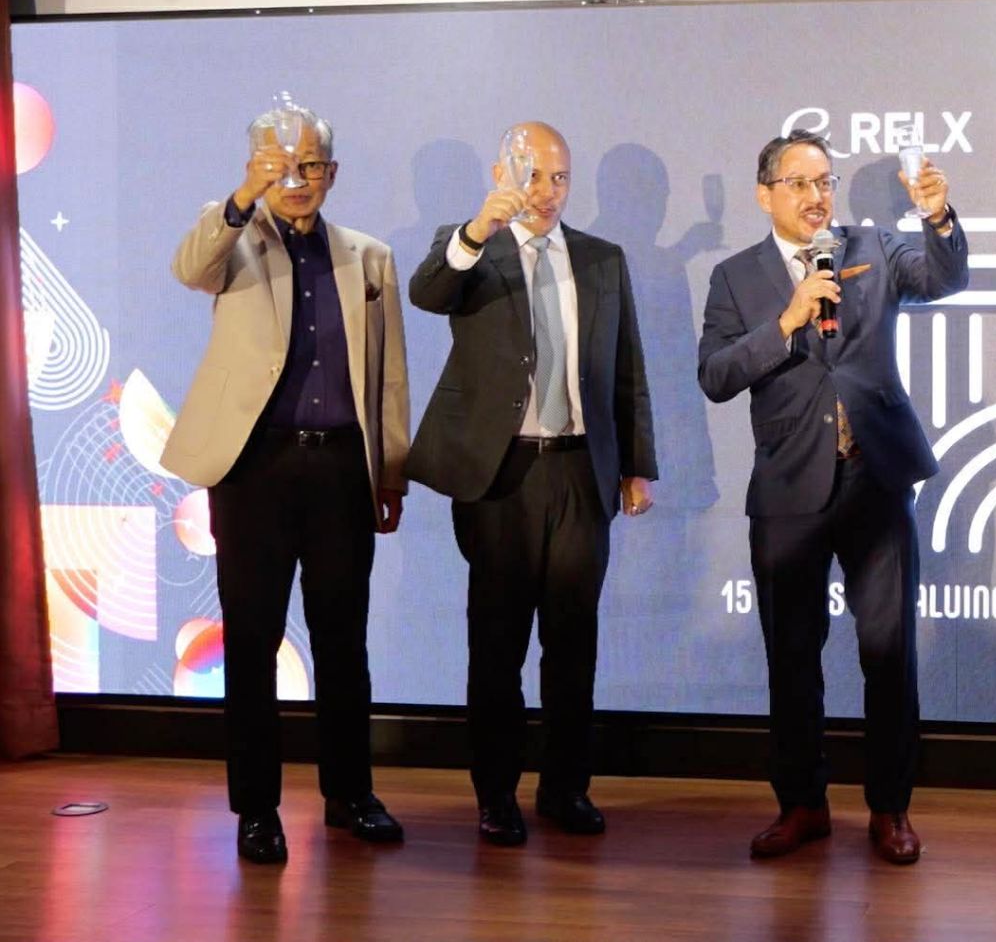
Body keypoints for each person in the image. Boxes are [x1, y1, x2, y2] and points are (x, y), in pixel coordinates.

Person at [696, 129, 967, 865]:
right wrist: (786, 322)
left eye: (826, 182)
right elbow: (716, 376)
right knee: (792, 657)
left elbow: (943, 279)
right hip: (789, 487)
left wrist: (938, 219)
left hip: (875, 476)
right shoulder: (735, 277)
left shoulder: (872, 246)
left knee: (889, 653)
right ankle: (802, 805)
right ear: (766, 195)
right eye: (801, 183)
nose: (818, 196)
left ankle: (890, 808)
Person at [163, 104, 410, 865]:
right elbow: (188, 268)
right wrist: (244, 194)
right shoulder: (233, 238)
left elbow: (388, 374)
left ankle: (350, 794)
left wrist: (390, 468)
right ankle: (256, 810)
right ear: (258, 169)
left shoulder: (369, 256)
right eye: (280, 165)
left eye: (309, 166)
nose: (296, 179)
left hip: (340, 467)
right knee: (252, 642)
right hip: (255, 470)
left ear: (331, 173)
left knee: (342, 640)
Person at [406, 122, 657, 847]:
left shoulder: (602, 258)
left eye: (560, 178)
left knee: (573, 645)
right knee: (497, 645)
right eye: (534, 175)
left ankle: (565, 788)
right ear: (501, 174)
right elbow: (427, 291)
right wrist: (477, 228)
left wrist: (636, 463)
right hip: (501, 476)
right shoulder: (471, 250)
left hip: (581, 469)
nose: (548, 192)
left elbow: (627, 367)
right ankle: (495, 794)